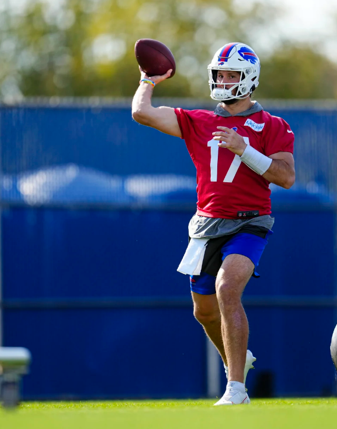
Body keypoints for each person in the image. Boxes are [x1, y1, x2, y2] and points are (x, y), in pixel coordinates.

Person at [131, 42, 295, 405]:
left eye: (230, 74)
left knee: (227, 288)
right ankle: (238, 358)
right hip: (207, 225)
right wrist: (149, 79)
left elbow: (286, 177)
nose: (222, 80)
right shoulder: (199, 120)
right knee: (203, 311)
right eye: (219, 74)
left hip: (251, 222)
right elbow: (141, 112)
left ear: (248, 79)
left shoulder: (272, 126)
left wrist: (244, 148)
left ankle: (236, 389)